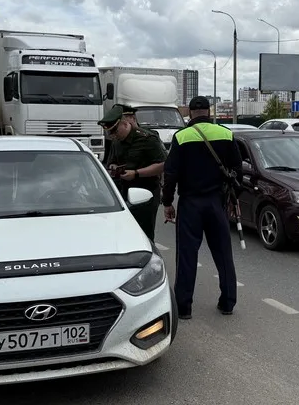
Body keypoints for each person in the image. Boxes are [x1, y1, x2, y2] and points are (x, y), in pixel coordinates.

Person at [161, 95, 241, 319]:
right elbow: (238, 170)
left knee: (187, 256)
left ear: (190, 113)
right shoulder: (226, 134)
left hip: (190, 204)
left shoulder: (182, 136)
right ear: (209, 111)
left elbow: (171, 174)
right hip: (217, 202)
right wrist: (235, 201)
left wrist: (167, 202)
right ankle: (227, 303)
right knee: (223, 254)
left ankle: (184, 307)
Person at [98, 106, 166, 241]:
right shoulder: (116, 142)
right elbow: (111, 162)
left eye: (115, 131)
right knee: (124, 233)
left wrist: (136, 173)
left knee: (144, 234)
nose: (113, 135)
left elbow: (162, 165)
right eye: (110, 133)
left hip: (146, 193)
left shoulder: (147, 139)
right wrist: (114, 168)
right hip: (123, 193)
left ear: (125, 123)